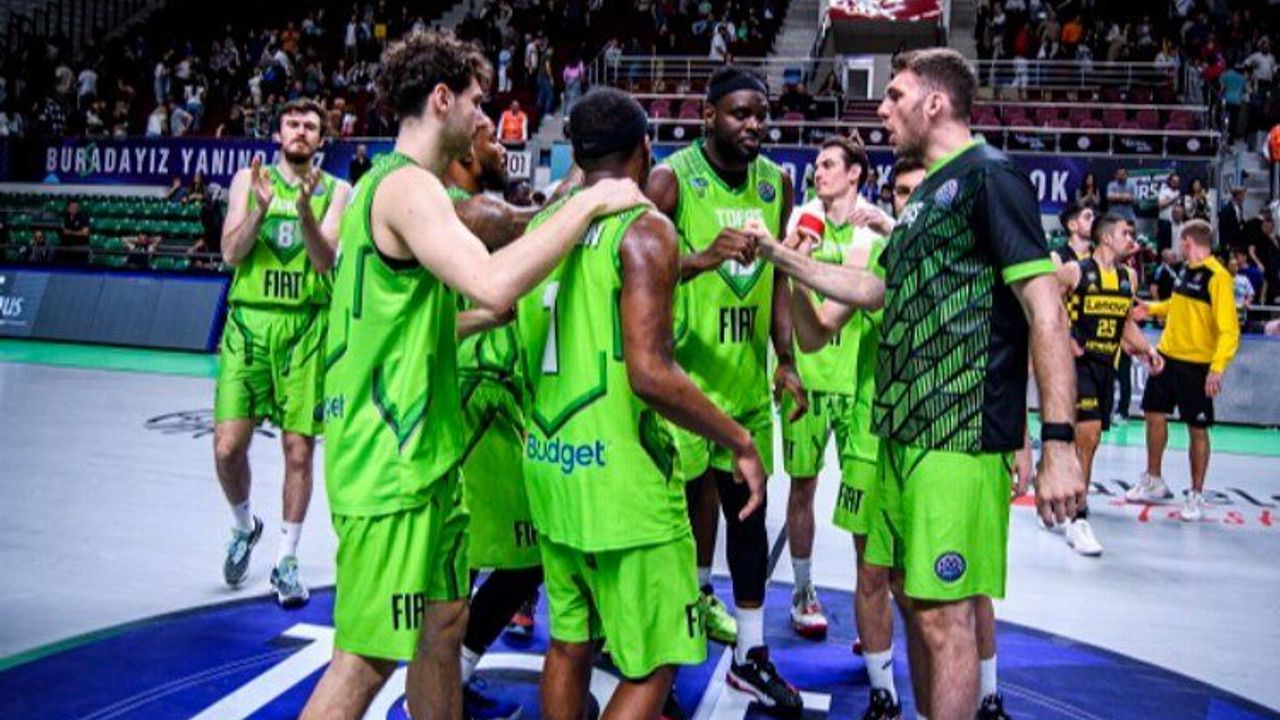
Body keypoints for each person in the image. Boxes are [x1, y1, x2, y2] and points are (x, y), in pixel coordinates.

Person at [301, 31, 648, 720]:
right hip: (389, 464)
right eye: (475, 101)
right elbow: (490, 281)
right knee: (364, 660)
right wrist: (586, 203)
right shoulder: (407, 187)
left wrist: (482, 319)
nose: (483, 116)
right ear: (442, 99)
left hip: (424, 457)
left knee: (445, 625)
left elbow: (409, 324)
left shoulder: (390, 186)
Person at [755, 48, 1084, 720]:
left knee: (943, 617)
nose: (881, 109)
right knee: (912, 601)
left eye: (895, 95)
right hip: (901, 435)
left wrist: (1058, 442)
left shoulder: (992, 178)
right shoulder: (927, 194)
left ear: (935, 103)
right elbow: (872, 288)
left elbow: (1045, 309)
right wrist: (780, 256)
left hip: (957, 436)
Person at [516, 86, 767, 720]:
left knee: (569, 643)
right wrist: (738, 439)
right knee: (657, 661)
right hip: (623, 477)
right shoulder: (645, 228)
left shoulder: (546, 226)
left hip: (551, 464)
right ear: (643, 148)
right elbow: (650, 373)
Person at [644, 65, 805, 714]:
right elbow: (636, 270)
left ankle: (750, 655)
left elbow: (780, 278)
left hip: (744, 390)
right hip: (681, 388)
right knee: (677, 531)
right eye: (741, 113)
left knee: (748, 521)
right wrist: (704, 256)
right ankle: (665, 660)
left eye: (762, 114)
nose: (754, 125)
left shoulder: (776, 183)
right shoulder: (670, 180)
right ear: (708, 114)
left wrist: (786, 359)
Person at [215, 98, 353, 608]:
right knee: (228, 448)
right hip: (248, 323)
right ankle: (244, 525)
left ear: (321, 139)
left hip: (305, 327)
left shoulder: (338, 190)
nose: (300, 132)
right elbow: (231, 253)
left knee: (299, 450)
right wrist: (259, 208)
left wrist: (303, 211)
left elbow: (324, 262)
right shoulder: (246, 180)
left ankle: (286, 559)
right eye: (292, 124)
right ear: (278, 133)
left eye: (310, 126)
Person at [443, 113, 548, 720]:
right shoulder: (447, 207)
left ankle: (452, 671)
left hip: (501, 403)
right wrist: (581, 199)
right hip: (465, 404)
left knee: (515, 556)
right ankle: (442, 682)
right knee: (473, 559)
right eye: (489, 135)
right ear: (463, 150)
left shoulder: (478, 210)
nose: (503, 144)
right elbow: (495, 221)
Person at [777, 135, 885, 644]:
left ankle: (871, 611)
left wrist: (802, 263)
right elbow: (781, 288)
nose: (817, 173)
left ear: (854, 173)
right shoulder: (803, 219)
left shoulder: (871, 227)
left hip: (857, 384)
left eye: (827, 165)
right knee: (802, 488)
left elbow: (850, 290)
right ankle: (803, 591)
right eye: (816, 165)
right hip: (807, 377)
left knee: (864, 505)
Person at [1056, 214, 1163, 556]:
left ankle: (1060, 490)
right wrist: (1066, 334)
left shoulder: (1128, 277)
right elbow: (1046, 305)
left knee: (1086, 442)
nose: (1131, 239)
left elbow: (1125, 324)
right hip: (1076, 365)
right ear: (1105, 238)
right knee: (1088, 435)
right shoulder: (1074, 271)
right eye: (1124, 233)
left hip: (1107, 366)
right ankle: (1077, 518)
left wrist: (1147, 349)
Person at [1128, 220, 1241, 522]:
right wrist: (1150, 308)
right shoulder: (1186, 270)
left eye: (1181, 241)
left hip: (1197, 364)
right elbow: (1177, 305)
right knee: (1153, 413)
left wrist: (1217, 368)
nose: (1179, 246)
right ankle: (1154, 479)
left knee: (1197, 428)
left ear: (1189, 241)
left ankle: (1196, 493)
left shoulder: (1218, 277)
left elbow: (1229, 330)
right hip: (1167, 356)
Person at [1219, 185, 1248, 253]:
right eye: (1242, 195)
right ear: (1237, 195)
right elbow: (1222, 228)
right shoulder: (1226, 209)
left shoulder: (1240, 208)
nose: (1244, 197)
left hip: (1237, 243)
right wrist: (1225, 244)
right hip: (1229, 243)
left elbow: (1239, 223)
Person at [1157, 174, 1181, 250]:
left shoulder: (1178, 192)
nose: (1175, 183)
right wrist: (1173, 199)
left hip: (1175, 222)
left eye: (1177, 181)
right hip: (1165, 221)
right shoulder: (1164, 192)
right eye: (1174, 181)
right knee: (1164, 245)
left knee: (1174, 245)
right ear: (1170, 181)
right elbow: (1160, 205)